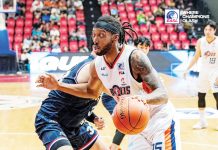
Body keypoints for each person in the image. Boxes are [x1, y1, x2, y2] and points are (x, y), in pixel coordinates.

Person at [36, 15, 180, 149]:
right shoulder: (96, 66)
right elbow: (91, 92)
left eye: (101, 35)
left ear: (115, 38)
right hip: (137, 126)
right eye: (94, 35)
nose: (95, 40)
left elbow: (162, 94)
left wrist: (141, 100)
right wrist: (58, 85)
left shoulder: (135, 58)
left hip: (159, 120)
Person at [35, 51, 109, 150]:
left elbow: (78, 103)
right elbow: (92, 92)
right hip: (52, 119)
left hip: (75, 125)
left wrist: (94, 118)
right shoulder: (91, 68)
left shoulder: (99, 69)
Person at [184, 19, 218, 130]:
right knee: (201, 95)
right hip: (203, 72)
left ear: (214, 31)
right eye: (206, 29)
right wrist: (187, 69)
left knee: (217, 96)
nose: (207, 31)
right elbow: (196, 56)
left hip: (215, 72)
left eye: (210, 30)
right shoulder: (200, 41)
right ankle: (202, 121)